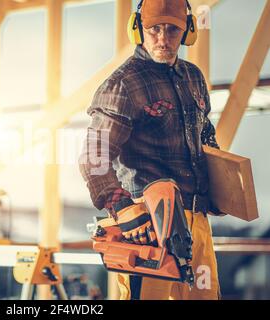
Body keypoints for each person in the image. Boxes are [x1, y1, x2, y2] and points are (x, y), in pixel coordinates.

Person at [79, 0, 223, 300]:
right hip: (149, 227)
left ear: (187, 31)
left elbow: (205, 135)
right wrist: (122, 209)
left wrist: (223, 187)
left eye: (172, 30)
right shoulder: (123, 84)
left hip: (196, 223)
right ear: (138, 30)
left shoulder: (193, 78)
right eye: (154, 29)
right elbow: (93, 154)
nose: (162, 38)